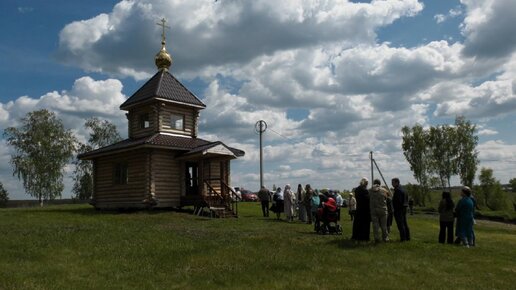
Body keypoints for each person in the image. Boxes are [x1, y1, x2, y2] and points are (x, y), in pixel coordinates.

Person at [351, 178, 371, 242]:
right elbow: (367, 200)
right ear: (365, 183)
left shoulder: (357, 189)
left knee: (357, 223)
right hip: (365, 209)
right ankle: (364, 237)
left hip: (359, 208)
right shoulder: (365, 190)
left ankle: (355, 236)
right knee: (365, 224)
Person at [392, 178, 410, 242]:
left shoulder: (398, 190)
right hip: (404, 208)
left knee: (401, 224)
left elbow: (398, 201)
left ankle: (403, 238)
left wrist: (395, 209)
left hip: (399, 209)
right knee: (404, 223)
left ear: (397, 182)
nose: (392, 184)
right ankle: (407, 237)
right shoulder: (403, 189)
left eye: (393, 182)